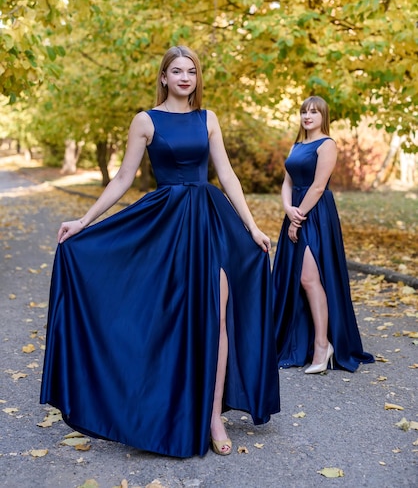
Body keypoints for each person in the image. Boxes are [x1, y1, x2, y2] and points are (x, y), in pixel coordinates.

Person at [40, 45, 280, 458]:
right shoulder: (145, 120)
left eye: (191, 71)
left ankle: (212, 416)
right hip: (166, 227)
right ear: (164, 77)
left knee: (219, 315)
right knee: (171, 319)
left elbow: (227, 175)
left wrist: (253, 226)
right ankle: (162, 406)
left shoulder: (209, 120)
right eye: (176, 71)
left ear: (196, 78)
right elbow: (121, 179)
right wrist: (84, 222)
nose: (185, 77)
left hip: (210, 223)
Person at [272, 96, 374, 373]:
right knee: (299, 279)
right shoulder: (297, 145)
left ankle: (322, 344)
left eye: (314, 112)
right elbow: (287, 181)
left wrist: (298, 218)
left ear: (323, 116)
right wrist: (287, 209)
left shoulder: (327, 144)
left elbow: (318, 187)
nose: (308, 116)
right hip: (296, 211)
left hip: (315, 215)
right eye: (304, 111)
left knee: (309, 278)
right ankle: (307, 342)